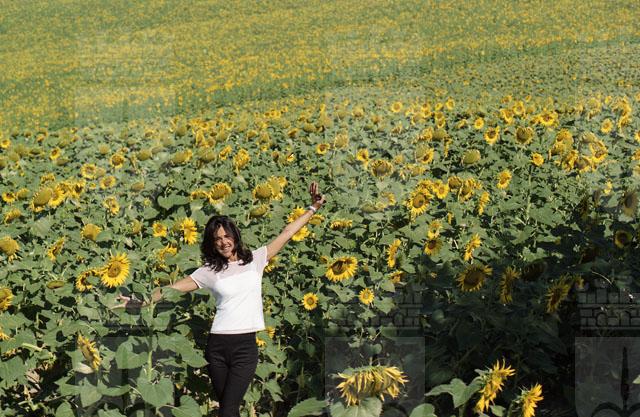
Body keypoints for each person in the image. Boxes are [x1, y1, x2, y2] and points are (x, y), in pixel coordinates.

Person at [113, 181, 326, 417]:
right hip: (217, 347)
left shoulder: (255, 260)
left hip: (245, 347)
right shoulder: (209, 271)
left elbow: (287, 233)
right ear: (212, 244)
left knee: (228, 410)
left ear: (235, 236)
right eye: (217, 239)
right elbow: (172, 288)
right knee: (228, 409)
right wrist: (139, 300)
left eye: (226, 236)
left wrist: (313, 208)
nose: (224, 242)